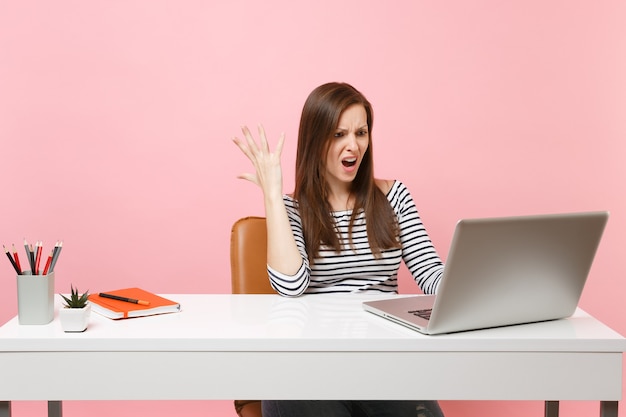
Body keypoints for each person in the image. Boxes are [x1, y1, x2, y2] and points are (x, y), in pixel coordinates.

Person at [233, 82, 445, 417]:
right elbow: (291, 285)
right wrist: (273, 195)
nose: (354, 145)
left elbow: (432, 274)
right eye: (338, 134)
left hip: (383, 362)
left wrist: (475, 285)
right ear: (316, 141)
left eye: (361, 132)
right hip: (310, 364)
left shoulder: (395, 197)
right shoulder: (293, 209)